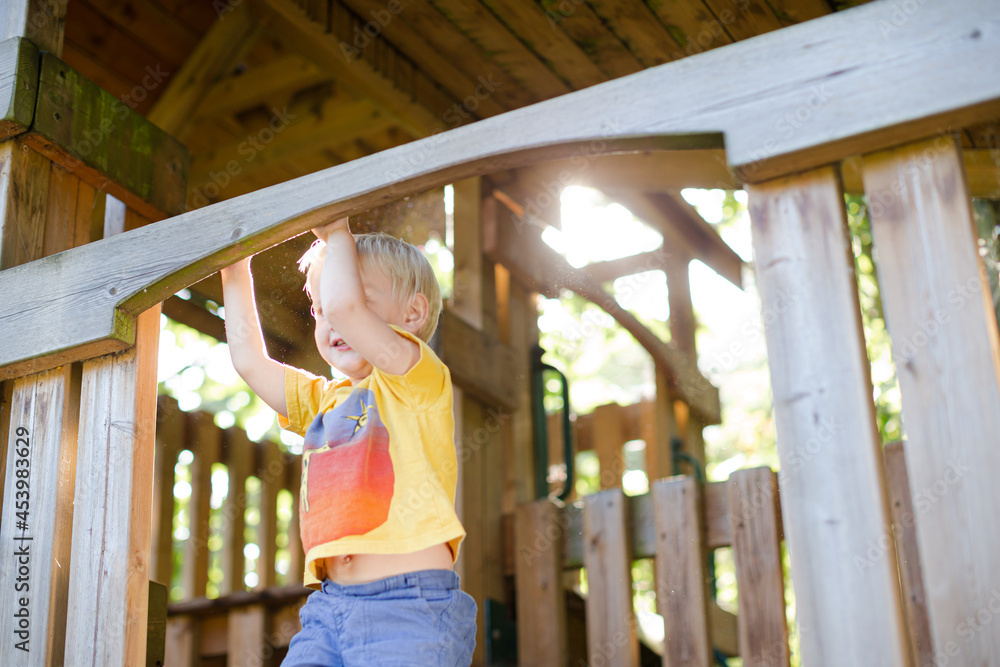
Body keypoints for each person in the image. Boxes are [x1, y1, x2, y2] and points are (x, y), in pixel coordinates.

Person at [220, 217, 475, 666]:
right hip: (328, 608)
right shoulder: (323, 401)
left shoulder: (413, 378)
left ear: (412, 314)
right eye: (316, 310)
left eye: (354, 298)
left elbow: (345, 310)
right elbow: (248, 360)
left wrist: (336, 234)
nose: (329, 317)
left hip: (408, 606)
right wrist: (233, 268)